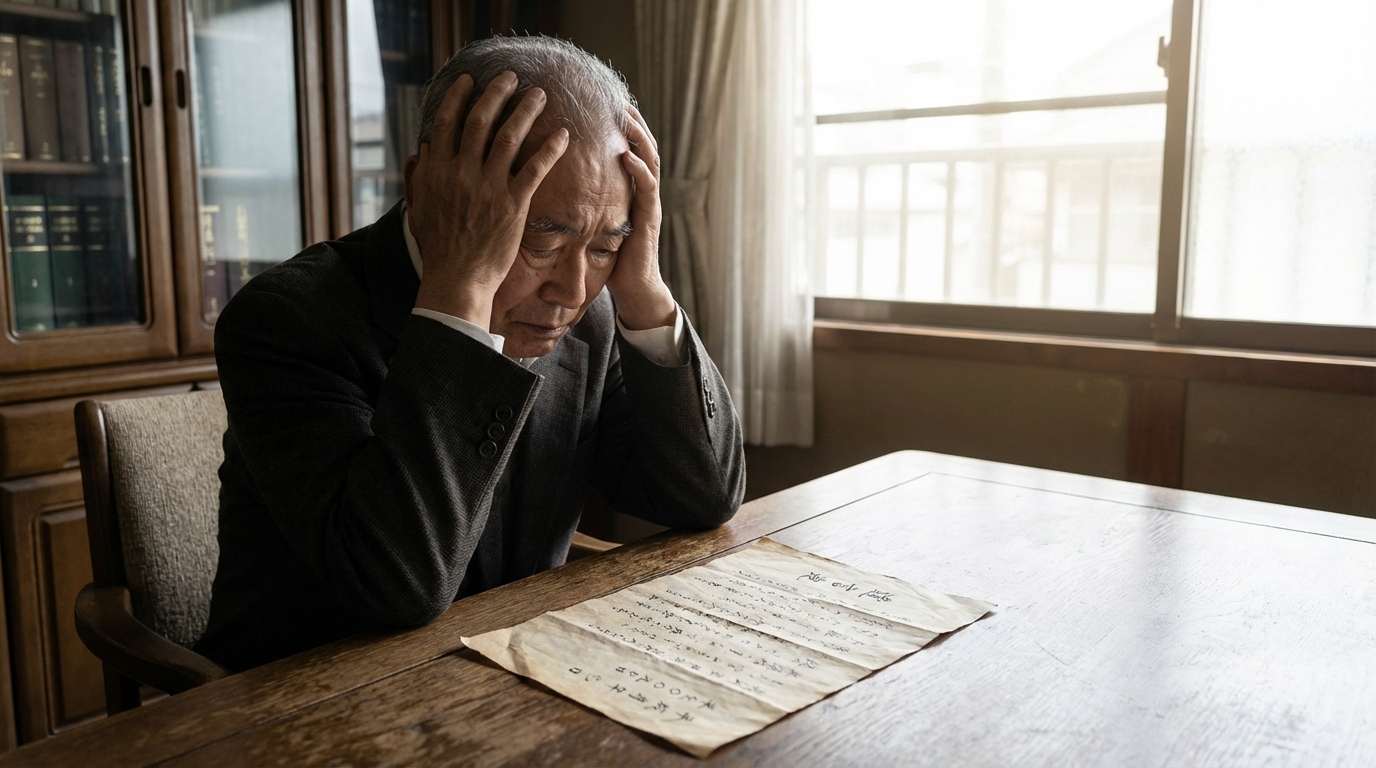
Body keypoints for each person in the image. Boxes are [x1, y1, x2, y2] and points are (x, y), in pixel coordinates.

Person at [195, 36, 746, 671]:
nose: (571, 292)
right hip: (304, 697)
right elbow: (395, 585)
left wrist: (644, 291)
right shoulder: (287, 321)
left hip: (509, 674)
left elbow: (702, 498)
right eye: (540, 237)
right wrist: (460, 294)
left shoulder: (592, 320)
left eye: (603, 246)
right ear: (430, 191)